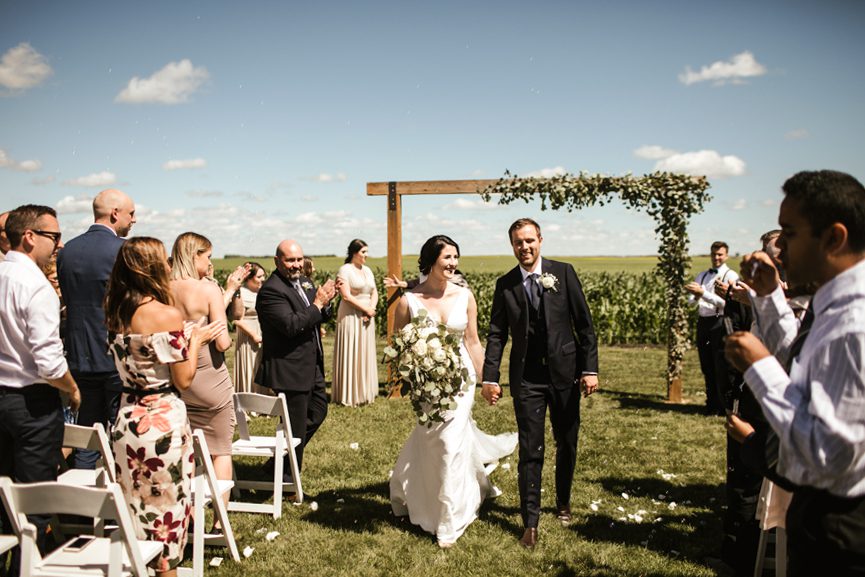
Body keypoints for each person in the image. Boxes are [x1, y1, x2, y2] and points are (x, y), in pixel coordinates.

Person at [725, 170, 865, 577]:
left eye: (789, 233)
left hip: (842, 526)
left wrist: (759, 367)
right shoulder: (835, 300)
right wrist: (768, 298)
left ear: (834, 238)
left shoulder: (855, 321)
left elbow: (830, 454)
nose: (778, 248)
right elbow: (805, 366)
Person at [389, 235, 517, 548]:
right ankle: (420, 494)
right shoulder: (409, 300)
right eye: (447, 258)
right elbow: (397, 344)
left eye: (456, 257)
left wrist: (489, 379)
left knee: (450, 442)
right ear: (431, 260)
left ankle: (448, 518)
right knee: (431, 440)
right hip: (427, 382)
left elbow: (472, 342)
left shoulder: (465, 296)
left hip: (462, 381)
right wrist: (412, 372)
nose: (452, 264)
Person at [106, 237, 222, 577]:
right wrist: (196, 340)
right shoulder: (166, 314)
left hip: (126, 417)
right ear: (153, 267)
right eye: (164, 262)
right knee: (166, 509)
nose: (169, 267)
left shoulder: (113, 309)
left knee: (136, 503)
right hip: (161, 422)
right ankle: (165, 569)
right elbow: (184, 379)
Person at [481, 218, 598, 548]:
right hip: (527, 378)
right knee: (531, 450)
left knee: (567, 442)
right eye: (519, 242)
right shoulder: (505, 285)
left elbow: (585, 327)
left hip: (565, 373)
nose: (525, 247)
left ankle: (563, 502)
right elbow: (496, 334)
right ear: (512, 246)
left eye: (530, 240)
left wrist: (590, 370)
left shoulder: (563, 273)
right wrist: (491, 377)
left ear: (541, 241)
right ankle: (530, 523)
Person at [0, 205, 81, 570]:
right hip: (31, 404)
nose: (59, 245)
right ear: (29, 236)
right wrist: (71, 389)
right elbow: (48, 362)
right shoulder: (36, 286)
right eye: (54, 236)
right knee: (33, 506)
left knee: (3, 502)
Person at [57, 188, 135, 469]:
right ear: (115, 214)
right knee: (119, 432)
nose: (133, 220)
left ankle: (82, 506)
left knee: (87, 434)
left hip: (78, 355)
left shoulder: (67, 252)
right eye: (131, 214)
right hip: (114, 356)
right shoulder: (124, 250)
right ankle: (116, 506)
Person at [256, 239, 338, 479]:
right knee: (295, 426)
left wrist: (327, 302)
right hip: (289, 367)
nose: (296, 265)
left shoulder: (303, 281)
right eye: (290, 260)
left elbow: (315, 314)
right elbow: (291, 325)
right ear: (277, 261)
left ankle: (275, 466)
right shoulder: (271, 290)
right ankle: (288, 481)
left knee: (318, 412)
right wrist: (318, 304)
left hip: (311, 364)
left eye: (299, 259)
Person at [169, 232, 235, 501]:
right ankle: (221, 523)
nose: (210, 261)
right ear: (194, 255)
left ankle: (191, 512)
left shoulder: (165, 287)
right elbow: (222, 342)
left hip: (180, 377)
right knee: (221, 451)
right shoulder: (208, 289)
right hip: (211, 379)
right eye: (207, 256)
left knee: (191, 449)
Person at [685, 241, 740, 415]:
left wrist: (704, 294)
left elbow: (728, 304)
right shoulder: (702, 275)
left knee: (721, 366)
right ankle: (711, 404)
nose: (716, 257)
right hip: (703, 322)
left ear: (726, 256)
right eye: (714, 254)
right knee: (706, 364)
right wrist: (694, 296)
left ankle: (724, 406)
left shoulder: (731, 276)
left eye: (720, 254)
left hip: (720, 321)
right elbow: (690, 302)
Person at [332, 239, 379, 406]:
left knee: (365, 351)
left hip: (367, 316)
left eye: (367, 252)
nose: (366, 255)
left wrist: (371, 308)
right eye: (363, 252)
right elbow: (346, 296)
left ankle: (365, 391)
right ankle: (349, 394)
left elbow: (374, 292)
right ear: (354, 253)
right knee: (352, 349)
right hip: (351, 316)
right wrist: (364, 309)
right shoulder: (345, 270)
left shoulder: (367, 270)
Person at [234, 262, 267, 394]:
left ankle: (263, 395)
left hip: (263, 332)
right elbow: (237, 320)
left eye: (263, 276)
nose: (263, 279)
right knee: (251, 365)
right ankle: (249, 397)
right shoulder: (241, 293)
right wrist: (253, 335)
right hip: (248, 335)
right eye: (259, 277)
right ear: (248, 278)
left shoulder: (264, 291)